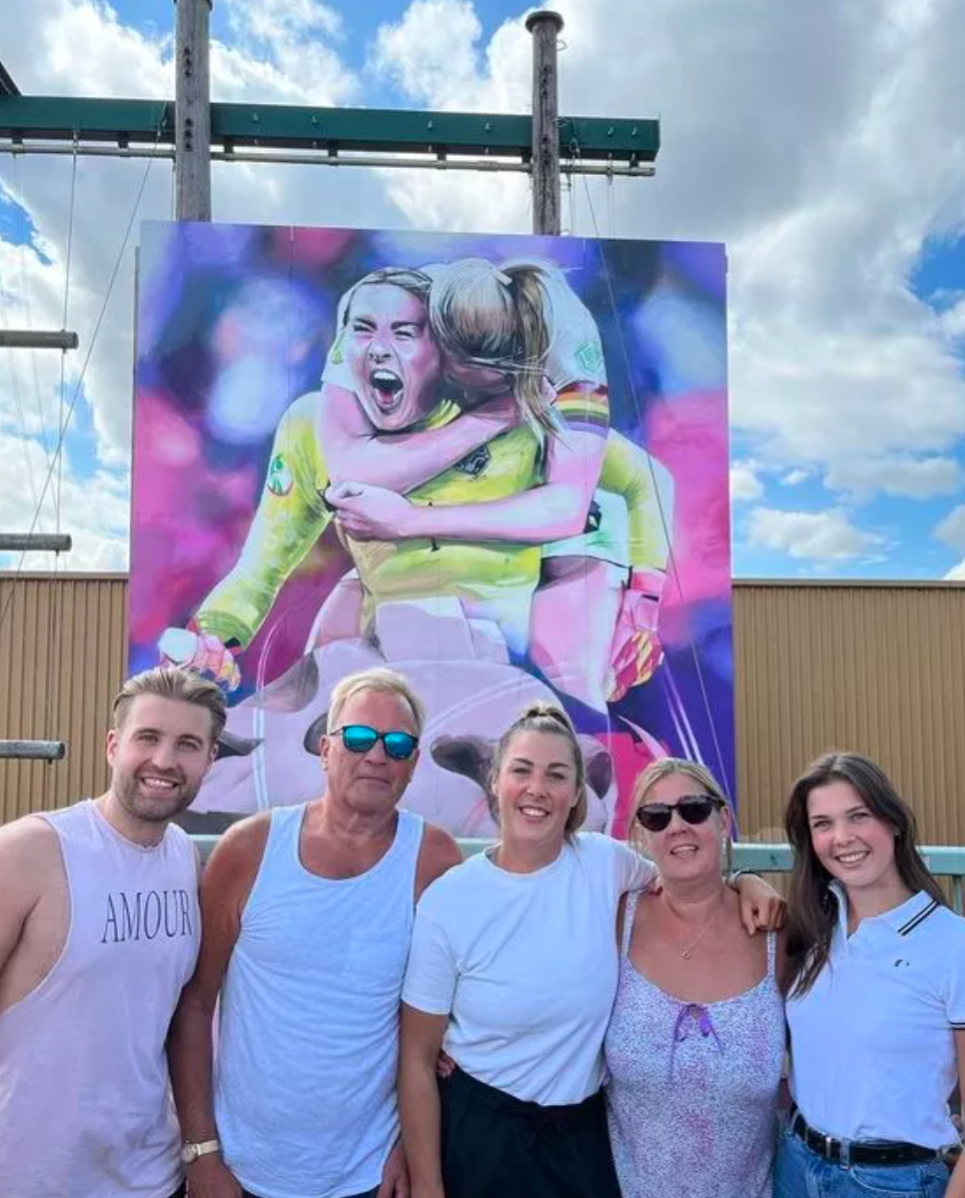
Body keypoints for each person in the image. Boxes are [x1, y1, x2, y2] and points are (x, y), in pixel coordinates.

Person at [398, 704, 783, 1198]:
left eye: (556, 775)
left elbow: (686, 876)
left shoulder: (606, 865)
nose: (537, 788)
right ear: (495, 780)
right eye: (521, 770)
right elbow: (415, 1058)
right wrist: (428, 1184)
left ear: (576, 793)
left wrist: (748, 883)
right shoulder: (449, 902)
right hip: (483, 1135)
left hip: (582, 1139)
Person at [168, 666, 462, 1198]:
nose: (376, 755)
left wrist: (408, 1146)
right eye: (357, 737)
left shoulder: (433, 859)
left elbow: (440, 1022)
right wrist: (202, 1151)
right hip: (244, 1171)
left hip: (371, 1175)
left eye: (397, 744)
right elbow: (194, 1006)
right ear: (326, 749)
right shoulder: (249, 849)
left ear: (414, 764)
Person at [0, 666, 226, 1198]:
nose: (165, 761)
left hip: (149, 1175)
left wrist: (199, 1148)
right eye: (148, 737)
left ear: (209, 759)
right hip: (29, 1176)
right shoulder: (32, 851)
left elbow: (175, 1019)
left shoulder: (185, 860)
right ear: (112, 745)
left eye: (188, 744)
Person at [776, 751, 965, 1198]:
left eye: (858, 816)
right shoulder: (812, 930)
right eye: (822, 824)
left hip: (892, 1182)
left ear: (894, 822)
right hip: (795, 1165)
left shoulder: (952, 944)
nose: (842, 837)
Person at [605, 757, 786, 1198]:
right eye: (656, 816)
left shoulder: (775, 934)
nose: (677, 826)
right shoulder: (613, 918)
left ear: (723, 819)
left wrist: (746, 881)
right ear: (642, 836)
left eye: (693, 809)